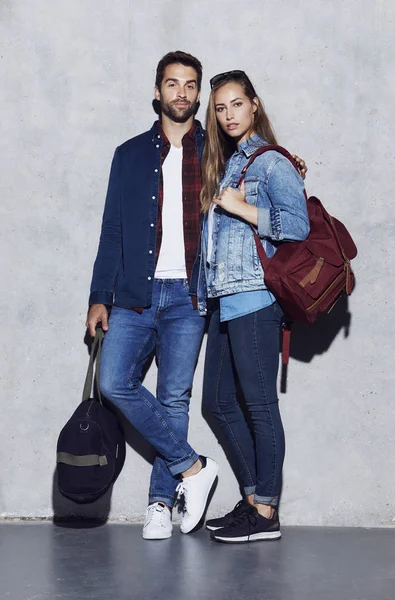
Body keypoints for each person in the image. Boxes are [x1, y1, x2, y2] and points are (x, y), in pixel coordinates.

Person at [86, 51, 219, 540]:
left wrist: (291, 167)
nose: (180, 92)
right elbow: (112, 229)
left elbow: (257, 169)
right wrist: (100, 294)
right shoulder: (130, 154)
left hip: (189, 294)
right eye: (172, 83)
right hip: (134, 294)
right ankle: (193, 468)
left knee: (174, 398)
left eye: (189, 85)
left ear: (198, 94)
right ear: (157, 90)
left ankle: (161, 502)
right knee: (115, 382)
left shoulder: (215, 151)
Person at [198, 70, 310, 543]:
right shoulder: (228, 164)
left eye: (236, 105)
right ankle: (253, 500)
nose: (228, 115)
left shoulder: (269, 163)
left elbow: (297, 226)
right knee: (218, 403)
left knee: (260, 407)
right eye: (220, 108)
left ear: (255, 105)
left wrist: (242, 209)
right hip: (225, 299)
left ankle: (265, 512)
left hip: (256, 299)